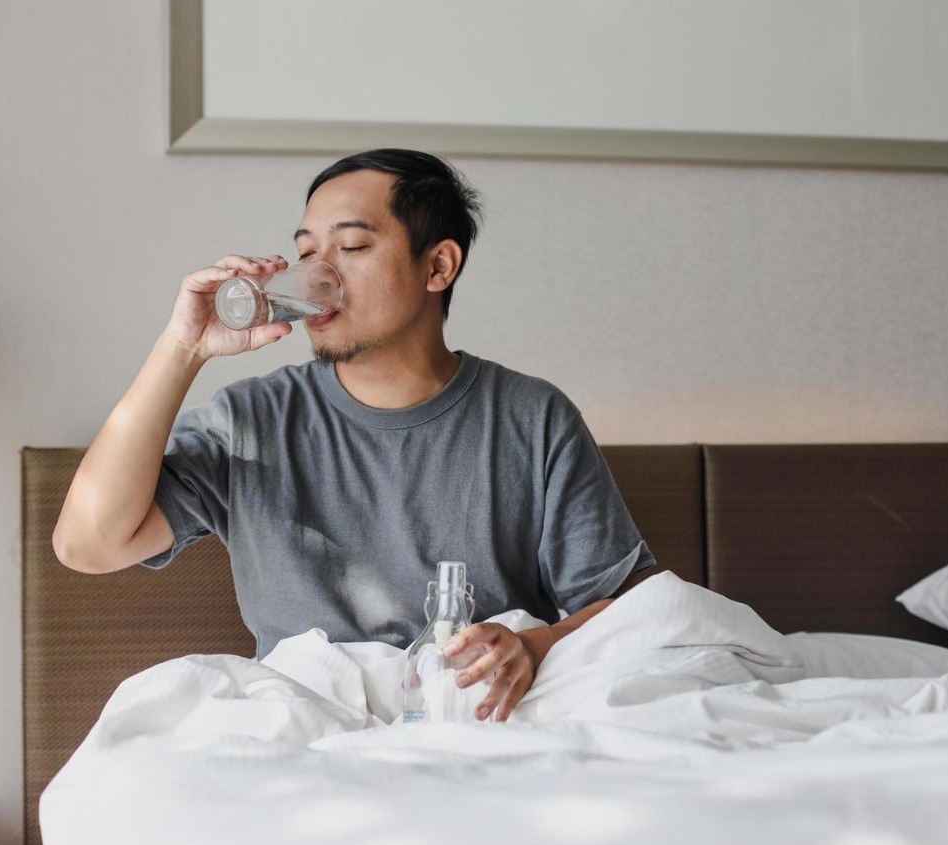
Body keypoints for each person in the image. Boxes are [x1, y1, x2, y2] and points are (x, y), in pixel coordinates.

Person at [53, 148, 657, 723]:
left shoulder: (531, 417)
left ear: (438, 265)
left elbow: (636, 610)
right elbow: (87, 545)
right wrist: (182, 349)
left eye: (352, 246)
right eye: (307, 251)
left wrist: (538, 645)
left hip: (474, 720)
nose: (319, 274)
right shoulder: (252, 421)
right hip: (307, 728)